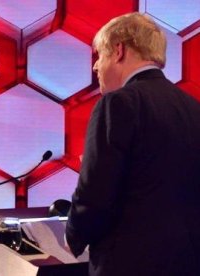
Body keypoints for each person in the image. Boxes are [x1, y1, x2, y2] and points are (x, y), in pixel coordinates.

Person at [66, 12, 200, 276]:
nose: (96, 67)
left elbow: (95, 191)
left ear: (119, 51)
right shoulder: (193, 108)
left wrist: (72, 236)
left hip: (128, 263)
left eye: (100, 56)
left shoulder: (117, 103)